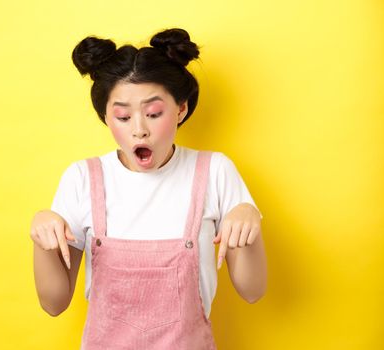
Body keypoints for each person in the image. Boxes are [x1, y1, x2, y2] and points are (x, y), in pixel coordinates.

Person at [30, 28, 267, 349]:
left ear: (181, 109)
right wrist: (42, 236)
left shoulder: (214, 171)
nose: (139, 130)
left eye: (154, 113)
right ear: (106, 117)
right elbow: (53, 302)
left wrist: (248, 218)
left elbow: (252, 291)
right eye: (123, 116)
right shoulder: (82, 178)